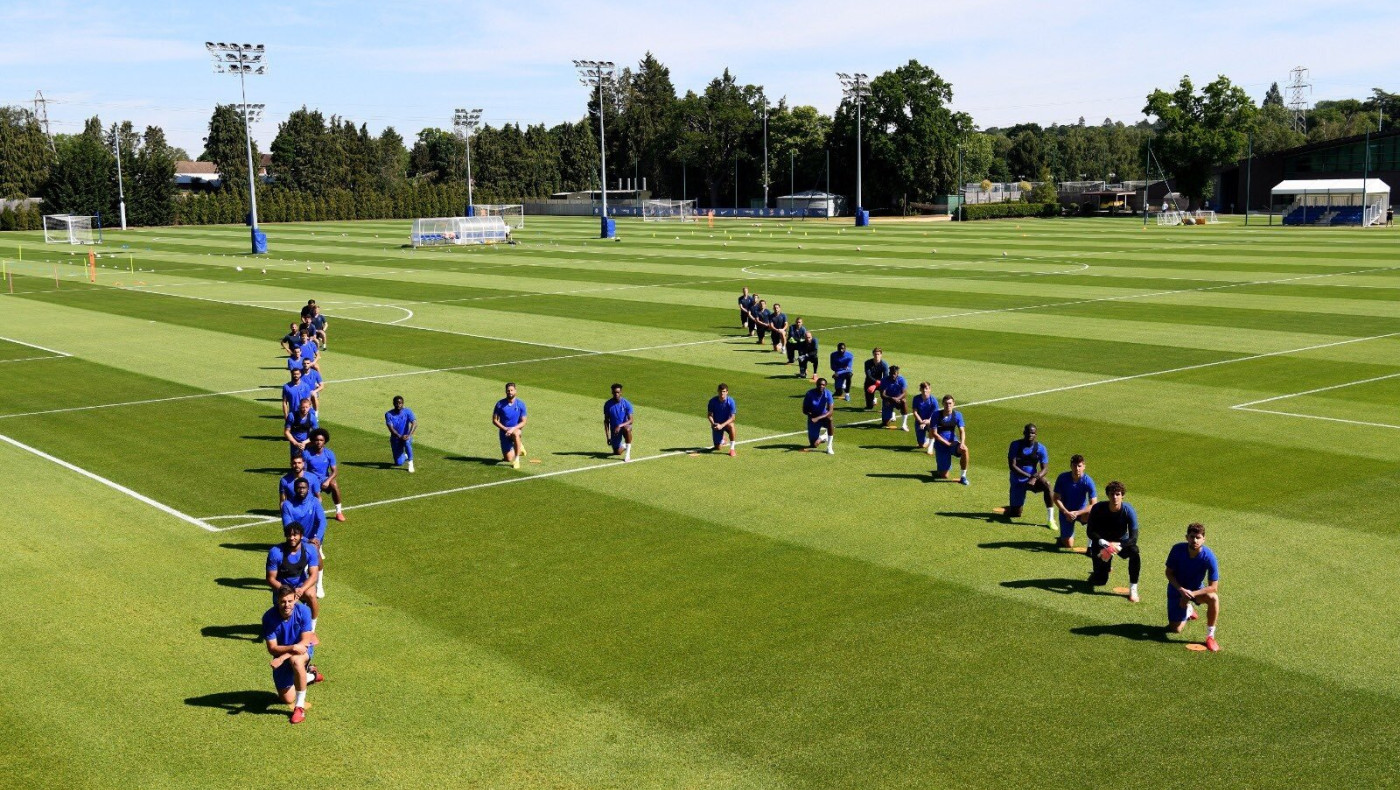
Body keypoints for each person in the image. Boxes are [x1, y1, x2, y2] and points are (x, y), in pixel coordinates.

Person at [262, 584, 322, 724]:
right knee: (287, 699)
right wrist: (293, 647)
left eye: (290, 601)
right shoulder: (269, 617)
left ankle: (299, 708)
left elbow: (304, 643)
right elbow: (272, 648)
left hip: (302, 650)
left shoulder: (304, 611)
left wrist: (283, 657)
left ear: (295, 599)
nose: (287, 605)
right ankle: (310, 675)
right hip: (288, 650)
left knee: (296, 661)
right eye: (283, 601)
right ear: (277, 600)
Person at [1165, 522, 1221, 651]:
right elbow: (1168, 573)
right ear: (1187, 537)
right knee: (1175, 629)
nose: (1195, 540)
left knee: (1213, 598)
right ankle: (1188, 610)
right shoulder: (1177, 549)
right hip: (1176, 588)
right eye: (1192, 537)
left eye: (1198, 537)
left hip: (1196, 590)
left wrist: (1191, 594)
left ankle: (1210, 636)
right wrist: (1181, 590)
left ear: (1203, 539)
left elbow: (1214, 587)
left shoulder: (1209, 557)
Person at [1086, 480, 1141, 602]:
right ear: (1107, 495)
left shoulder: (1128, 510)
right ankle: (1103, 568)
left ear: (1122, 495)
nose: (1115, 497)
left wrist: (1119, 546)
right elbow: (1090, 531)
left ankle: (1133, 588)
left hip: (1120, 542)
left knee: (1134, 552)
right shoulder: (1098, 508)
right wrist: (1104, 543)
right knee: (1100, 581)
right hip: (1103, 543)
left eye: (1118, 494)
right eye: (1112, 494)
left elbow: (1134, 537)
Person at [266, 523, 320, 628]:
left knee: (311, 595)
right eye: (289, 535)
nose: (292, 538)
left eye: (295, 535)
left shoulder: (310, 550)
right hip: (282, 586)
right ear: (285, 535)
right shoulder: (275, 552)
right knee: (283, 618)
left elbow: (314, 575)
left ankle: (311, 628)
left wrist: (302, 589)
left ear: (301, 536)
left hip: (300, 585)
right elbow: (270, 579)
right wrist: (286, 591)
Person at [1006, 423, 1053, 525]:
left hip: (1033, 480)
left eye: (1032, 433)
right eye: (1028, 432)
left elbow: (1045, 469)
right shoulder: (1015, 445)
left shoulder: (1041, 448)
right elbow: (1012, 466)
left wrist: (1035, 478)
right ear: (1024, 433)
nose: (1030, 435)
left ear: (1036, 434)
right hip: (1017, 481)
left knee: (1047, 485)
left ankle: (1051, 519)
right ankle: (1010, 508)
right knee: (1016, 514)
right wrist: (1030, 476)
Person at [1052, 454, 1097, 550]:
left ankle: (1091, 545)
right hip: (1065, 512)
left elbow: (1094, 504)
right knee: (1068, 545)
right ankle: (1062, 538)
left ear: (1084, 466)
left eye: (1079, 466)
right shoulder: (1062, 478)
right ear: (1071, 466)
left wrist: (1077, 513)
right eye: (1074, 466)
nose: (1077, 468)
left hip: (1081, 512)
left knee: (1093, 515)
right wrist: (1066, 512)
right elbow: (1056, 498)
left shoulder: (1088, 481)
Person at [302, 428, 345, 522]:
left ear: (325, 441)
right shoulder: (306, 453)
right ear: (313, 441)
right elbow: (304, 471)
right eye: (316, 440)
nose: (319, 442)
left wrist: (328, 481)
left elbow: (334, 471)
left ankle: (339, 512)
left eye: (321, 440)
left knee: (334, 484)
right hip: (312, 480)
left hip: (324, 479)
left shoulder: (329, 453)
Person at [930, 394, 970, 485]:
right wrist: (947, 444)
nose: (948, 405)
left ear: (953, 404)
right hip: (941, 445)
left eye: (950, 403)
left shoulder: (958, 415)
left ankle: (963, 476)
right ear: (943, 404)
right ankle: (941, 469)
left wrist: (962, 443)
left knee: (965, 449)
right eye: (946, 403)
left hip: (953, 443)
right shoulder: (936, 415)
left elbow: (962, 431)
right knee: (944, 475)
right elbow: (934, 434)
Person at [492, 383, 528, 469]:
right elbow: (495, 420)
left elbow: (524, 421)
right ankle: (519, 447)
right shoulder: (499, 404)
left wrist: (513, 429)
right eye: (508, 390)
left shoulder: (520, 404)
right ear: (506, 391)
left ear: (515, 391)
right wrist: (505, 429)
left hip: (515, 429)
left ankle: (517, 460)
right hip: (504, 432)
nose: (510, 392)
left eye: (512, 390)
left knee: (516, 434)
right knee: (508, 459)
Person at [802, 377, 835, 455]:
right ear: (816, 385)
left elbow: (830, 411)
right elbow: (804, 409)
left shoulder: (828, 393)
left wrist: (818, 418)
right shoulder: (809, 393)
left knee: (830, 419)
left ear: (825, 386)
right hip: (813, 418)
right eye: (819, 384)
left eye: (823, 385)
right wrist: (810, 414)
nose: (821, 386)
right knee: (814, 444)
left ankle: (829, 447)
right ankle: (823, 437)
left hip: (824, 417)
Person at [385, 395, 417, 473]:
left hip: (406, 437)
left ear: (403, 404)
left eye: (400, 403)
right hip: (396, 439)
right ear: (393, 403)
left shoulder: (408, 411)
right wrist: (400, 436)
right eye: (397, 403)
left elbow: (414, 423)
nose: (399, 405)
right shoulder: (388, 414)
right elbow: (391, 429)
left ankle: (410, 463)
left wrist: (409, 435)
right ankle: (405, 456)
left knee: (407, 442)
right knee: (398, 463)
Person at [603, 383, 634, 462]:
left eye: (618, 392)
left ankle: (627, 454)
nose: (616, 394)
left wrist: (620, 426)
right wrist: (608, 437)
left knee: (627, 429)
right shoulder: (607, 405)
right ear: (612, 392)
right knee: (617, 452)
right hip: (615, 430)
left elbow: (631, 420)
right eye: (614, 392)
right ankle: (625, 445)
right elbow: (606, 421)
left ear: (621, 392)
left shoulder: (627, 404)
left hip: (624, 427)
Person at [707, 383, 737, 456]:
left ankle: (732, 449)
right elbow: (709, 415)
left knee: (732, 426)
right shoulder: (712, 401)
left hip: (726, 423)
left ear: (727, 392)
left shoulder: (731, 402)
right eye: (720, 391)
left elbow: (733, 418)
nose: (722, 393)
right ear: (718, 391)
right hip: (717, 424)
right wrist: (713, 423)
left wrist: (722, 425)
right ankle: (723, 439)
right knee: (717, 448)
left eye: (724, 391)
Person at [880, 365, 910, 431]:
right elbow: (882, 395)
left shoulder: (902, 380)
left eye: (894, 373)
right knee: (885, 424)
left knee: (904, 401)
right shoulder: (884, 380)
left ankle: (904, 424)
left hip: (898, 400)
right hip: (888, 400)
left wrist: (897, 398)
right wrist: (890, 398)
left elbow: (904, 393)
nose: (892, 375)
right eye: (891, 373)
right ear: (889, 373)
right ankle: (891, 414)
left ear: (897, 374)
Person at [911, 382, 938, 449]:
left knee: (933, 432)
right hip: (919, 421)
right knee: (921, 445)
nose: (924, 390)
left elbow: (935, 414)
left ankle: (931, 445)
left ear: (930, 389)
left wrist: (928, 421)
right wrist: (921, 422)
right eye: (923, 388)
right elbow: (915, 412)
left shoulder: (933, 401)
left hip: (930, 421)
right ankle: (926, 440)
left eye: (926, 388)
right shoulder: (916, 398)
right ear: (920, 389)